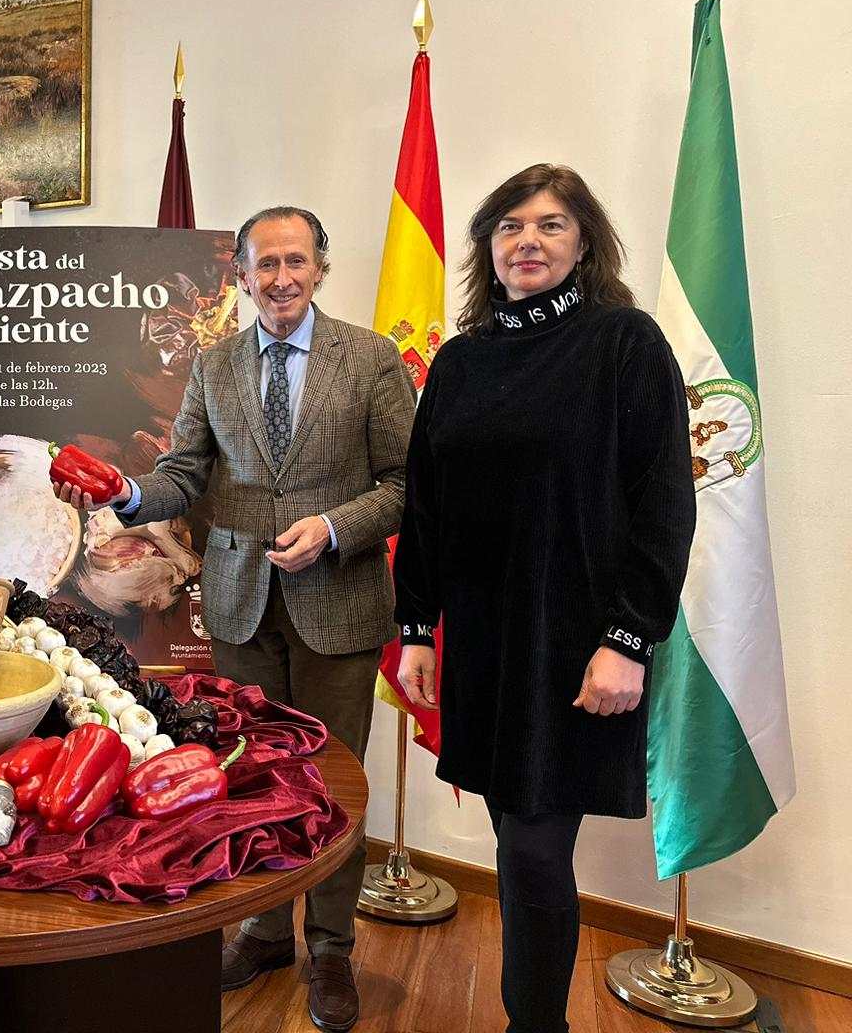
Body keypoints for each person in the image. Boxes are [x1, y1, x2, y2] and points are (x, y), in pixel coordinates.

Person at [55, 206, 415, 1032]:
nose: (281, 278)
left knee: (333, 784)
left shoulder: (369, 358)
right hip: (239, 605)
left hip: (340, 604)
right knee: (251, 777)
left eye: (296, 261)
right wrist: (126, 492)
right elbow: (183, 474)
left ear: (320, 268)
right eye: (265, 264)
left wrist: (334, 528)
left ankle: (331, 948)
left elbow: (405, 482)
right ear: (244, 277)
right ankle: (264, 931)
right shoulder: (215, 365)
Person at [392, 164, 696, 1033]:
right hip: (484, 645)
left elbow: (665, 503)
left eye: (551, 224)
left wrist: (629, 638)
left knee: (531, 852)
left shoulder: (625, 343)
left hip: (578, 647)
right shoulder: (461, 360)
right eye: (511, 226)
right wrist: (417, 627)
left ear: (584, 243)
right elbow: (426, 505)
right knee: (516, 844)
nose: (528, 240)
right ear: (488, 247)